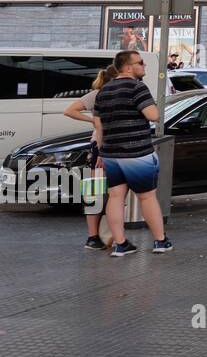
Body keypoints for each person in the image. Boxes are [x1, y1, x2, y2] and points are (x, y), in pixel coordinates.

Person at [96, 51, 171, 256]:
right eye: (140, 63)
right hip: (136, 153)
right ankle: (160, 241)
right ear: (128, 67)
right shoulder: (137, 87)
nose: (144, 67)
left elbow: (99, 124)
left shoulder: (104, 89)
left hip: (111, 153)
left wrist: (102, 152)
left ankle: (120, 244)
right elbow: (153, 115)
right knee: (147, 198)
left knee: (115, 197)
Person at [62, 63, 117, 251]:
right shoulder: (98, 94)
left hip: (109, 147)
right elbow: (69, 110)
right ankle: (93, 236)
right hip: (100, 148)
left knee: (108, 193)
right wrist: (91, 120)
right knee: (97, 191)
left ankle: (103, 236)